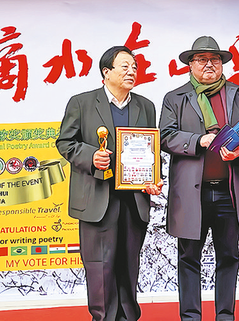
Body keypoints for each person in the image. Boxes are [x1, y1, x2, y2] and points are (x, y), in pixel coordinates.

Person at [56, 45, 162, 321]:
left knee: (129, 265)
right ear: (106, 72)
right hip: (97, 198)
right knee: (100, 268)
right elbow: (65, 143)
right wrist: (91, 157)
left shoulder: (145, 106)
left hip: (133, 199)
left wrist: (152, 179)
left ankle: (129, 317)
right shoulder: (82, 102)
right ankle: (103, 318)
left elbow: (150, 149)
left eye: (134, 67)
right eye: (125, 66)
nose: (132, 71)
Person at [160, 36, 239, 321]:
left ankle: (225, 316)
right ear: (190, 65)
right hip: (192, 193)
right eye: (202, 60)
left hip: (229, 190)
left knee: (229, 256)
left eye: (214, 59)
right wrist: (198, 140)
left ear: (222, 64)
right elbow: (165, 136)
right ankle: (191, 317)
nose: (209, 65)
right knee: (188, 258)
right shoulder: (175, 98)